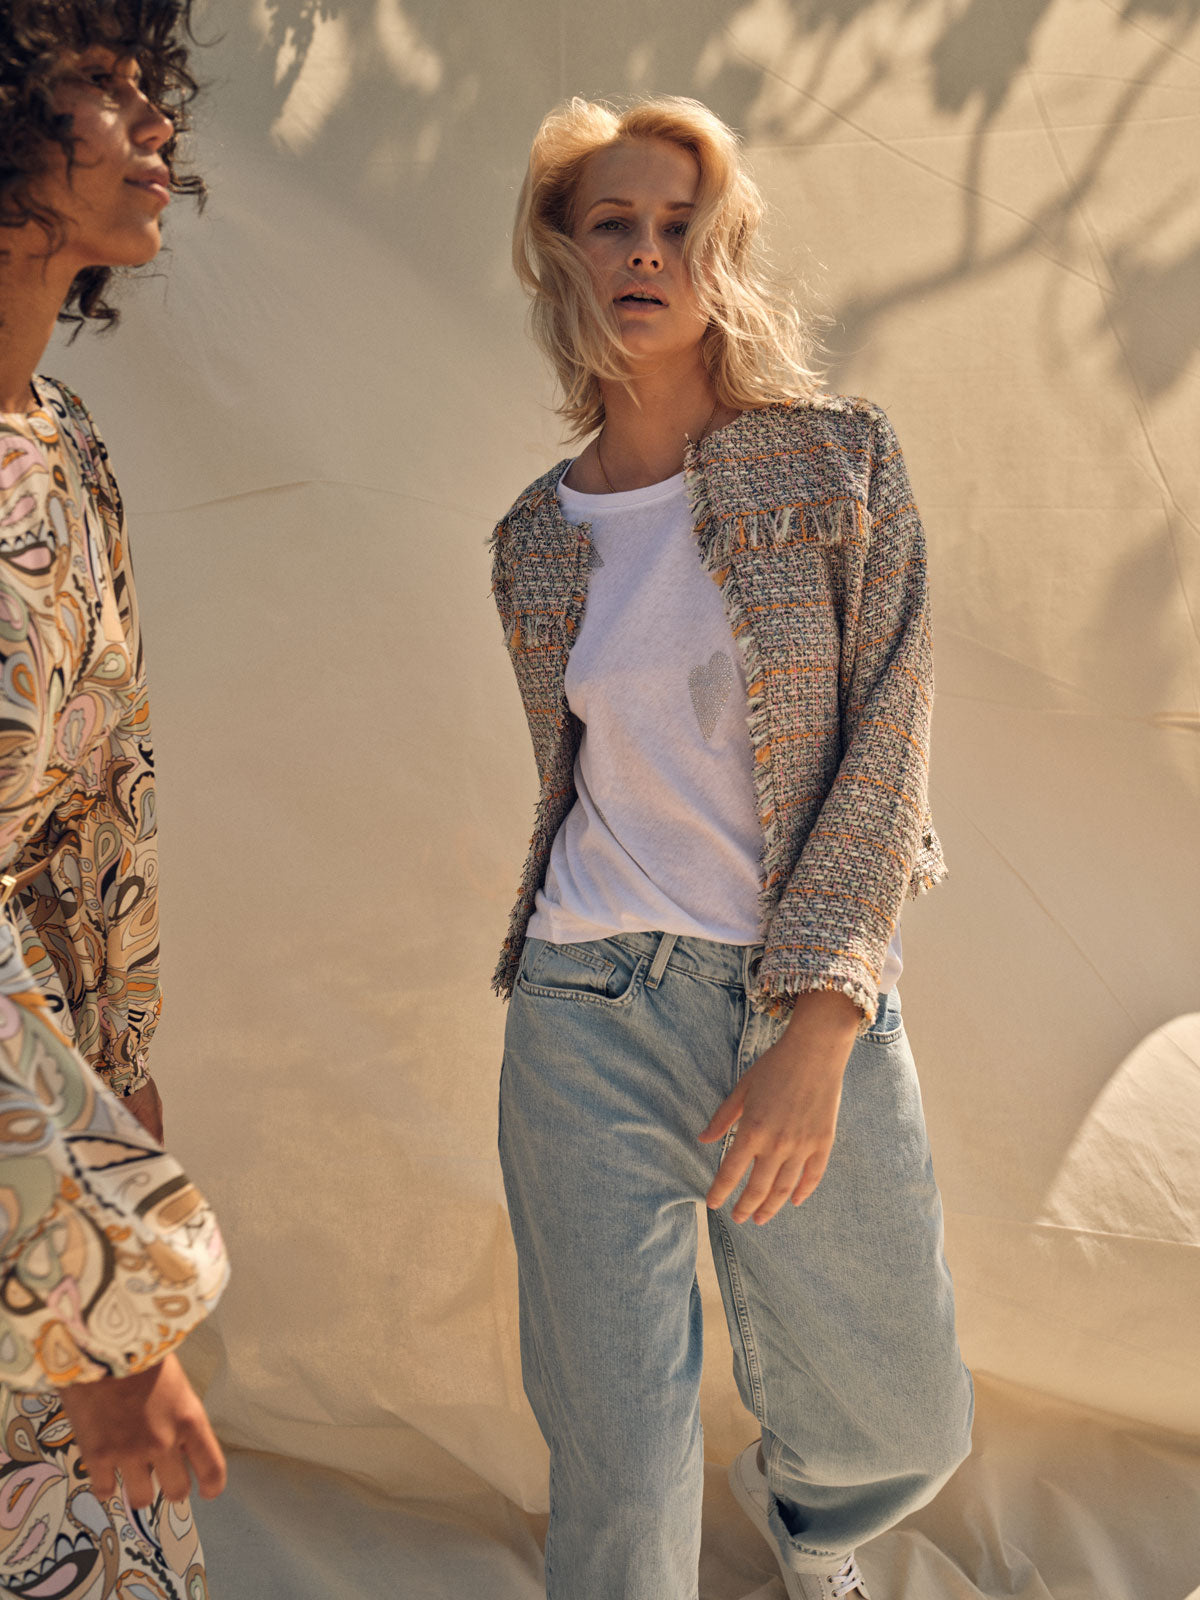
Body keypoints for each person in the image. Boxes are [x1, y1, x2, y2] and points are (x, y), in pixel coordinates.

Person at [490, 96, 974, 1600]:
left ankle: (815, 1538)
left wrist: (821, 1020)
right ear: (563, 257)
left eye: (680, 226)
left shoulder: (837, 464)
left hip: (796, 990)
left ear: (723, 256)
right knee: (622, 1464)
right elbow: (585, 780)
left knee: (904, 1416)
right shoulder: (532, 538)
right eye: (613, 223)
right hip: (585, 1007)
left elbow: (889, 745)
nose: (647, 251)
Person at [0, 3, 230, 1595]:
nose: (157, 126)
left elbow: (102, 805)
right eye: (100, 83)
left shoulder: (66, 444)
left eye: (158, 89)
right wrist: (94, 1306)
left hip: (51, 1130)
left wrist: (124, 1083)